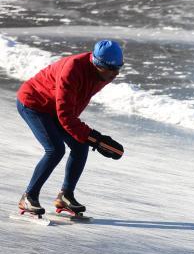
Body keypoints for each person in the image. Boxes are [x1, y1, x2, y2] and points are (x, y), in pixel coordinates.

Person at [17, 40, 125, 218]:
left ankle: (65, 196)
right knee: (55, 149)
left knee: (80, 144)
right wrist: (96, 139)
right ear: (98, 64)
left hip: (56, 108)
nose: (116, 73)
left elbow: (75, 105)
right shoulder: (72, 70)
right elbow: (66, 116)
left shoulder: (104, 74)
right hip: (34, 103)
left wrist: (87, 137)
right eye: (112, 69)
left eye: (119, 68)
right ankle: (28, 197)